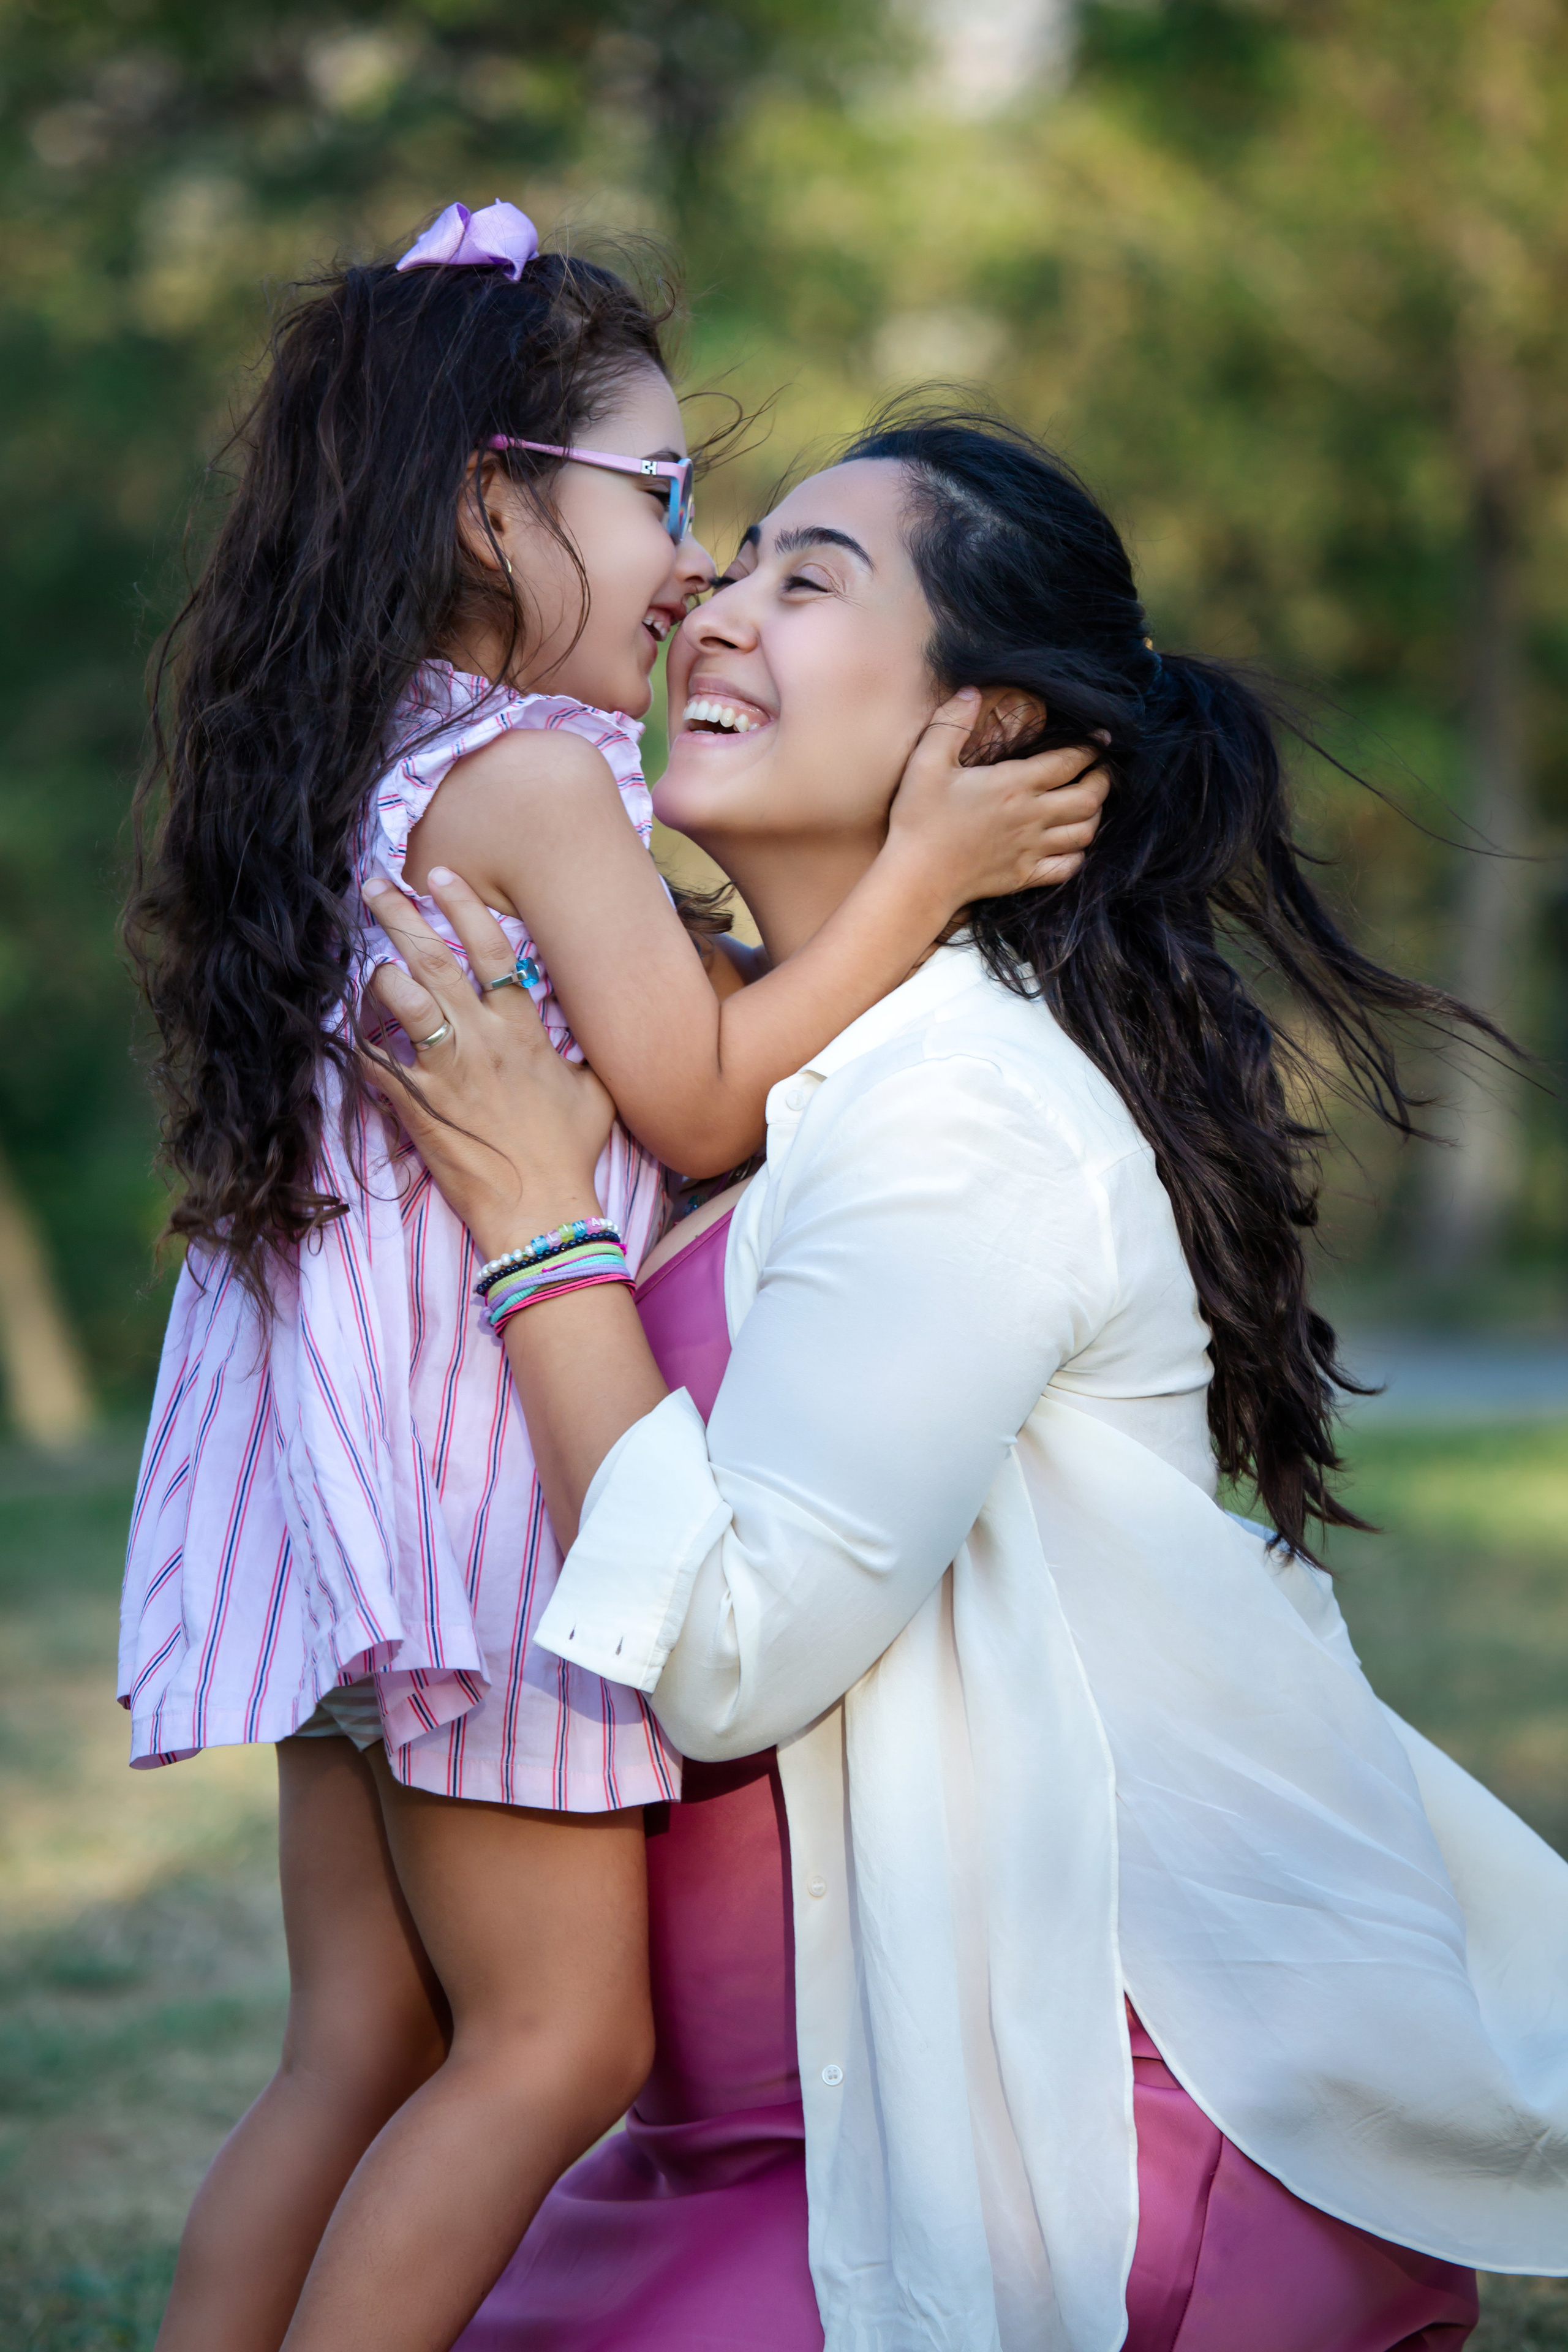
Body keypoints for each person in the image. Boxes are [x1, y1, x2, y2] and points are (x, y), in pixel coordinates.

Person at [365, 409, 1568, 2352]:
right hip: (732, 2129)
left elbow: (737, 1654)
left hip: (1028, 2131)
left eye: (807, 581)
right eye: (733, 558)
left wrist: (529, 1224)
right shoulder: (724, 1069)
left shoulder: (965, 1117)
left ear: (983, 732)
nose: (711, 608)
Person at [119, 204, 1109, 2352]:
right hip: (477, 1493)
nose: (687, 569)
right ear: (492, 497)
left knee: (355, 2049)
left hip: (320, 1505)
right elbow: (696, 1100)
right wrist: (923, 876)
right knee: (549, 2048)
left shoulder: (362, 753)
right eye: (658, 499)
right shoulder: (544, 779)